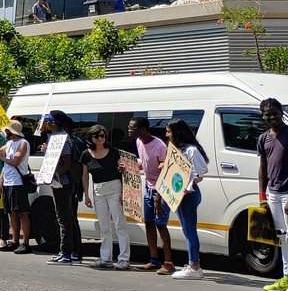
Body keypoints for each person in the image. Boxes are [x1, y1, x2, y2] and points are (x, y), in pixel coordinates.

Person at [81, 125, 129, 270]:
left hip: (115, 187)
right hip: (98, 190)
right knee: (104, 226)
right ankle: (105, 257)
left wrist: (123, 193)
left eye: (103, 136)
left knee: (120, 224)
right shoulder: (86, 154)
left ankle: (124, 258)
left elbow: (122, 171)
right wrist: (86, 195)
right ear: (91, 138)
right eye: (97, 136)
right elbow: (85, 176)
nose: (100, 139)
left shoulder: (113, 151)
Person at [129, 117, 173, 273]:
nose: (129, 130)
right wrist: (129, 166)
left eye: (132, 128)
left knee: (161, 224)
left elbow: (166, 171)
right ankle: (154, 259)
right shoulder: (139, 142)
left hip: (161, 189)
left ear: (143, 129)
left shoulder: (159, 146)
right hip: (148, 187)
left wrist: (159, 196)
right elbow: (145, 162)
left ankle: (168, 262)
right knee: (149, 223)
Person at [166, 118, 209, 280]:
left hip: (189, 195)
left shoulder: (191, 150)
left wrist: (188, 185)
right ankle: (193, 263)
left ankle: (194, 266)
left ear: (177, 133)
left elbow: (200, 173)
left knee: (190, 229)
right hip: (180, 195)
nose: (167, 135)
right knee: (186, 229)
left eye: (169, 132)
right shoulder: (176, 150)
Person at [257, 97, 288, 291]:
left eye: (274, 113)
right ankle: (286, 278)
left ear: (281, 113)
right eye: (267, 115)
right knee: (282, 238)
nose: (271, 117)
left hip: (287, 195)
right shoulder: (263, 138)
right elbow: (263, 168)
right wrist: (262, 196)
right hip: (273, 194)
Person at [41, 111, 79, 265]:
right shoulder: (55, 138)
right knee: (63, 217)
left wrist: (55, 175)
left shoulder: (63, 139)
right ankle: (67, 252)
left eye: (49, 122)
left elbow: (67, 163)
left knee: (64, 218)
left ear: (55, 123)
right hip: (57, 181)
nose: (47, 124)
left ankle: (66, 253)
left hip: (62, 183)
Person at [0, 119, 32, 254]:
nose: (4, 132)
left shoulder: (23, 143)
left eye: (6, 130)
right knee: (11, 212)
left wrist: (4, 159)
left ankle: (26, 242)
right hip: (8, 181)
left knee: (22, 212)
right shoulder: (8, 143)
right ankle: (15, 240)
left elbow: (15, 161)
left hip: (18, 182)